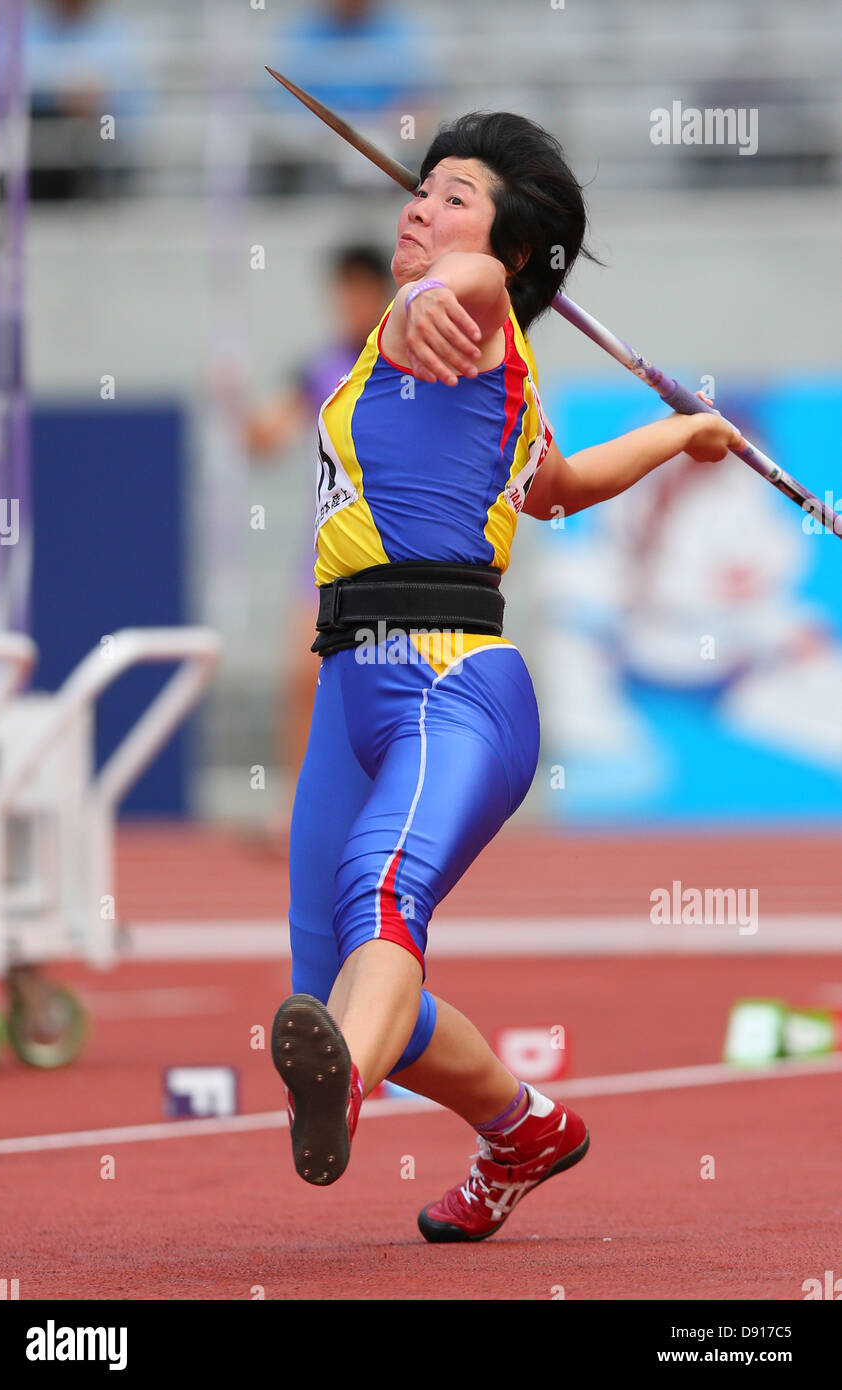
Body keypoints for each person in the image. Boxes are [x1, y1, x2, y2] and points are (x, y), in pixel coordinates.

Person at [270, 111, 743, 1242]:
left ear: (512, 252)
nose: (419, 208)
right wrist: (677, 436)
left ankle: (357, 1076)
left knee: (379, 906)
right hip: (351, 691)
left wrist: (465, 278)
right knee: (325, 979)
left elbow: (476, 282)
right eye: (418, 190)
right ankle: (520, 1125)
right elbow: (559, 487)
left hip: (448, 682)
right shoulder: (458, 348)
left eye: (452, 197)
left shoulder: (462, 321)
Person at [242, 246, 392, 842]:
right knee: (302, 680)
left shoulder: (402, 359)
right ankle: (293, 810)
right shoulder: (316, 367)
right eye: (341, 292)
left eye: (359, 291)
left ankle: (382, 814)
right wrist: (232, 398)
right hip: (323, 554)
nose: (348, 303)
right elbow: (264, 440)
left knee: (383, 686)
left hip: (389, 554)